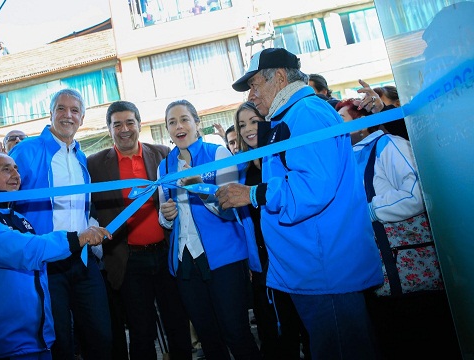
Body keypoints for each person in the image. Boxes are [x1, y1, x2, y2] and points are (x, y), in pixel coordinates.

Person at [218, 48, 383, 360]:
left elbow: (314, 186)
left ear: (280, 78)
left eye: (255, 85)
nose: (251, 96)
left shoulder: (305, 114)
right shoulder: (292, 116)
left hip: (324, 269)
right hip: (314, 267)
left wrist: (252, 194)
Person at [0, 152, 111, 359]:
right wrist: (76, 238)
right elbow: (21, 250)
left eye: (16, 168)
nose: (16, 174)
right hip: (1, 347)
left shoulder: (19, 219)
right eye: (6, 169)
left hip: (39, 342)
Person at [336, 98, 460, 359]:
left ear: (361, 122)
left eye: (342, 120)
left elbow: (418, 193)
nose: (337, 128)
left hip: (410, 274)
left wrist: (369, 209)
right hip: (379, 280)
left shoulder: (388, 145)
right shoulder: (348, 159)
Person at [8, 89, 113, 360]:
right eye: (61, 109)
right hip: (46, 262)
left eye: (75, 110)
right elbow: (6, 204)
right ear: (51, 114)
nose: (68, 115)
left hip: (82, 259)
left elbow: (82, 207)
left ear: (82, 118)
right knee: (59, 342)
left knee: (101, 335)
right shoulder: (26, 151)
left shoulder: (80, 157)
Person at [87, 101, 192, 360]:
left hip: (166, 255)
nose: (124, 129)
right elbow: (87, 209)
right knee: (141, 331)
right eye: (117, 124)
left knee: (177, 324)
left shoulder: (163, 154)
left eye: (129, 122)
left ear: (139, 124)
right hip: (127, 261)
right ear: (109, 129)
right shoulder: (95, 165)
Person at [157, 99, 261, 359]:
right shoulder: (164, 166)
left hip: (224, 258)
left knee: (235, 332)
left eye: (184, 119)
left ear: (196, 123)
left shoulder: (218, 154)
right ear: (167, 130)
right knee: (207, 337)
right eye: (172, 122)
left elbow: (230, 207)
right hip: (184, 263)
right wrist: (166, 216)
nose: (179, 126)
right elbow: (165, 216)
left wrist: (200, 190)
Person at [234, 101, 308, 359]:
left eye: (254, 121)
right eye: (242, 125)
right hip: (262, 262)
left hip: (291, 255)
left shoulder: (281, 158)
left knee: (303, 324)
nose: (247, 129)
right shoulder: (241, 171)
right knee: (273, 328)